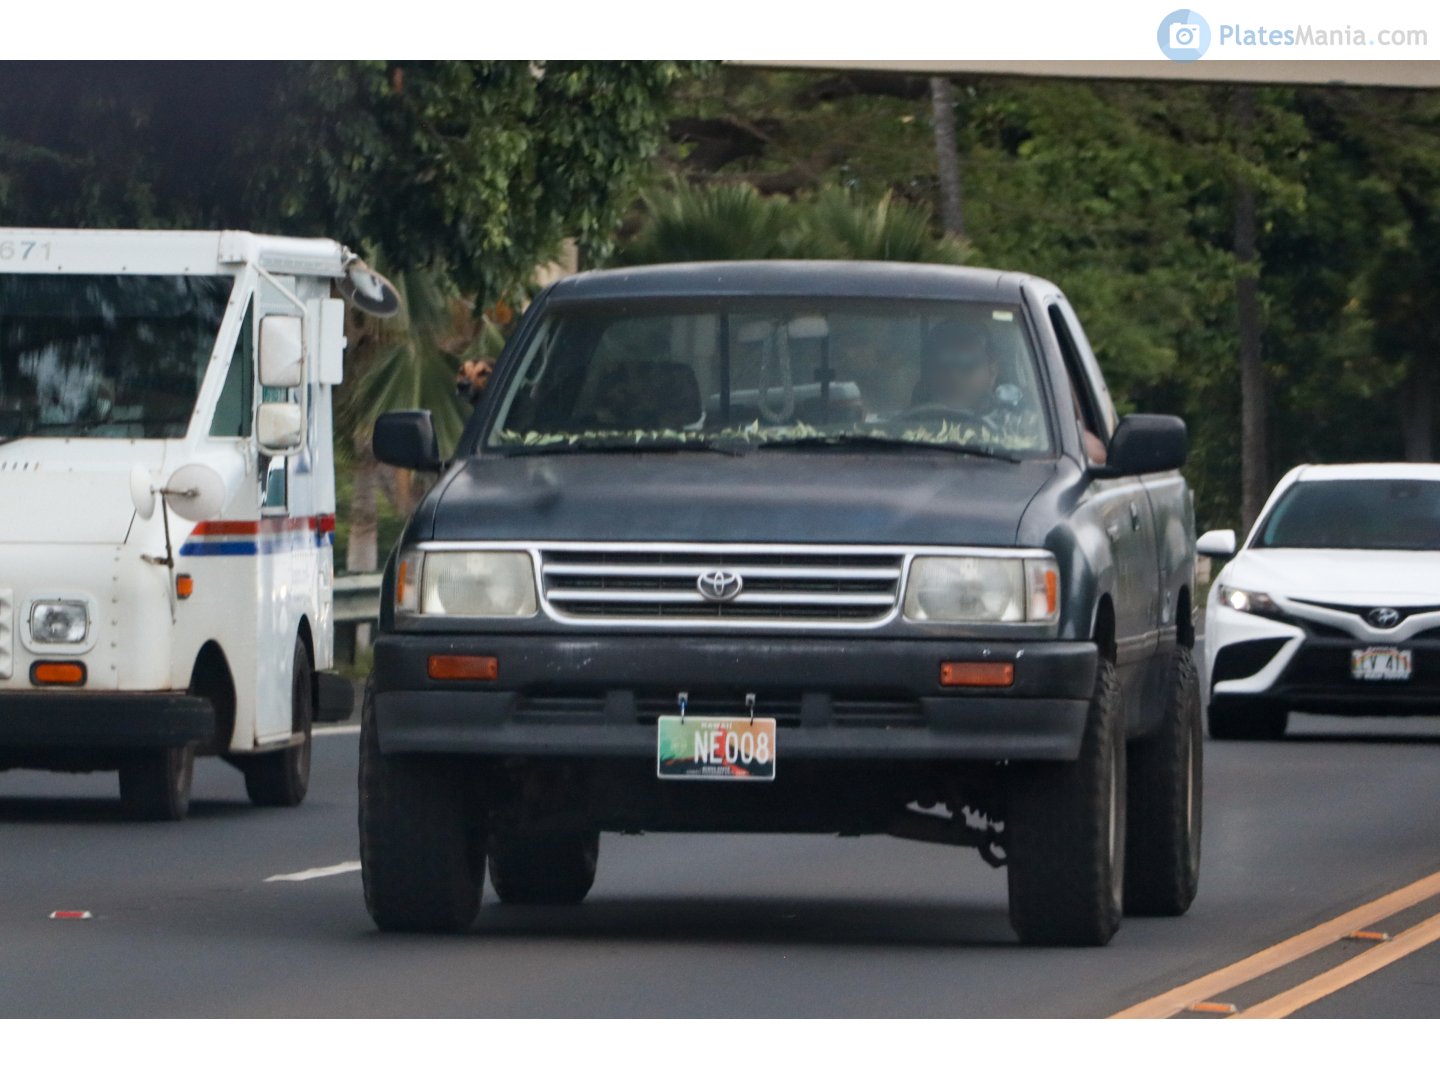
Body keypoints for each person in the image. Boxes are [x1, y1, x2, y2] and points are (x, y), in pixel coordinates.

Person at [912, 321, 999, 414]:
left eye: (968, 362)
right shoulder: (905, 421)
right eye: (942, 364)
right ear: (927, 373)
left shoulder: (1008, 421)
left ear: (992, 371)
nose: (953, 375)